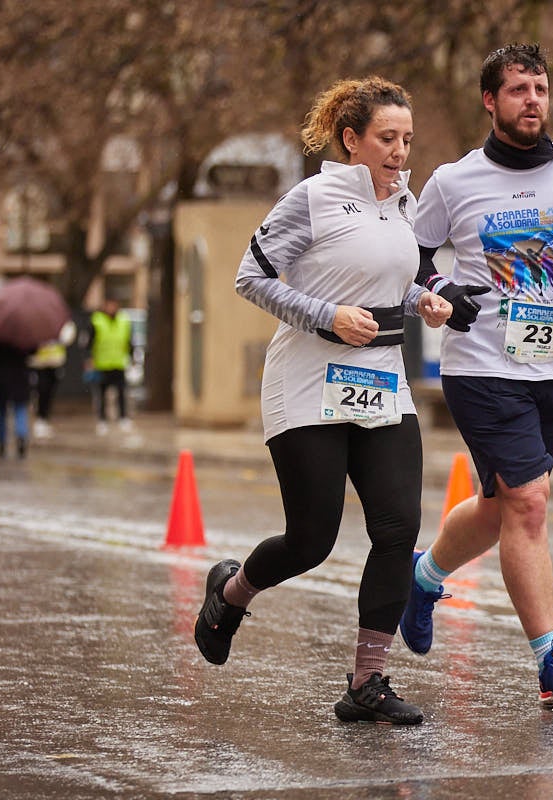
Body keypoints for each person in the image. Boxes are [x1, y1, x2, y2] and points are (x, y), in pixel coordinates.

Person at [192, 76, 452, 726]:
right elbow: (249, 277)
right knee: (312, 539)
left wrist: (428, 298)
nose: (399, 151)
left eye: (407, 139)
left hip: (382, 381)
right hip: (308, 382)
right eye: (387, 138)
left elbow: (405, 273)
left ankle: (367, 684)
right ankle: (230, 593)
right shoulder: (312, 197)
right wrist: (325, 316)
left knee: (397, 530)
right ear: (350, 139)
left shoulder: (405, 202)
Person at [401, 43, 553, 706]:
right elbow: (406, 252)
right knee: (529, 503)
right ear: (490, 101)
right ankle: (550, 661)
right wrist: (440, 285)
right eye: (519, 89)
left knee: (504, 506)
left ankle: (425, 577)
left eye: (541, 89)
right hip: (482, 368)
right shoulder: (452, 181)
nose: (533, 100)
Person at [85, 298, 133, 435]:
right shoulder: (97, 320)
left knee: (121, 392)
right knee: (101, 393)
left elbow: (129, 340)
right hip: (102, 364)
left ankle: (123, 418)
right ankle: (102, 420)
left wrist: (131, 356)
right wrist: (90, 359)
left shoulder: (124, 320)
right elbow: (89, 342)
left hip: (119, 363)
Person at [29, 321, 75, 439]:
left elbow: (68, 337)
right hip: (40, 363)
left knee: (49, 392)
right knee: (42, 391)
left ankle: (44, 418)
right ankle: (40, 419)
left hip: (55, 362)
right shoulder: (35, 322)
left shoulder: (59, 320)